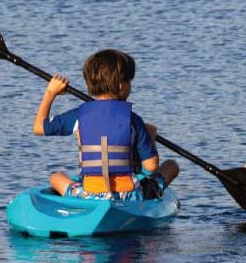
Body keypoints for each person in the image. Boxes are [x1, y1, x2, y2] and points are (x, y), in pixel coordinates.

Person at [33, 48, 179, 201]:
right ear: (121, 85)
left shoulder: (79, 116)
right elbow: (151, 166)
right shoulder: (133, 119)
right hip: (129, 196)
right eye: (129, 80)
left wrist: (51, 92)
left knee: (56, 177)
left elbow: (38, 127)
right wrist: (151, 138)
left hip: (90, 195)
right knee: (171, 166)